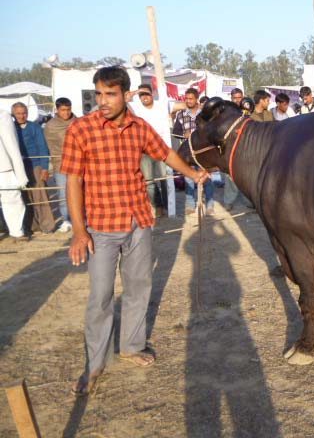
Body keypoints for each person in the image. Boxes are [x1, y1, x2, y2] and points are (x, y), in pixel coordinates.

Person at [61, 66, 209, 395]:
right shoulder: (81, 130)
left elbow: (166, 153)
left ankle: (131, 345)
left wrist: (193, 174)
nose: (102, 101)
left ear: (124, 94)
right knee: (100, 296)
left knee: (139, 287)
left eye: (109, 94)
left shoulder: (139, 127)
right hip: (100, 225)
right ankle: (95, 363)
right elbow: (73, 180)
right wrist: (78, 231)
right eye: (98, 93)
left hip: (138, 220)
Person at [128, 84, 172, 217]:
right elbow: (123, 99)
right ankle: (157, 206)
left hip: (162, 148)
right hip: (144, 150)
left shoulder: (161, 105)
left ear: (152, 93)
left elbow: (180, 105)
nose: (144, 97)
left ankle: (168, 205)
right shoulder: (135, 108)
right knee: (149, 181)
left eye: (147, 94)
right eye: (142, 95)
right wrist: (136, 91)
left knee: (166, 179)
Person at [12, 102, 55, 234]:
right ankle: (31, 225)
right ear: (14, 114)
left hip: (35, 165)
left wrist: (44, 168)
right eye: (18, 113)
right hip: (18, 167)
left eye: (24, 113)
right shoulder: (10, 128)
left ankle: (47, 225)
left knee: (40, 195)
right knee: (25, 197)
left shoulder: (35, 127)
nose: (21, 116)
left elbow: (43, 147)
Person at [172, 87, 215, 214]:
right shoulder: (181, 115)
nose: (188, 101)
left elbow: (213, 130)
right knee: (189, 179)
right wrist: (183, 135)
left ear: (197, 99)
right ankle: (190, 205)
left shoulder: (205, 114)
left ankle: (210, 204)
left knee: (206, 178)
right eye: (186, 99)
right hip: (187, 154)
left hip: (204, 153)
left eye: (191, 99)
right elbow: (175, 132)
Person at [44, 97, 76, 232]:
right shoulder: (51, 126)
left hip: (78, 163)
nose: (66, 113)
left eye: (68, 110)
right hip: (60, 164)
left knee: (80, 192)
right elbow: (48, 146)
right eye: (63, 110)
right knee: (63, 193)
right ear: (57, 110)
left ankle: (80, 218)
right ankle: (66, 220)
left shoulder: (78, 122)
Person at [0, 110, 29, 242]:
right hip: (4, 166)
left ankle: (16, 231)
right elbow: (11, 143)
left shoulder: (2, 116)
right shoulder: (3, 116)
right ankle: (16, 231)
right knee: (12, 200)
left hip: (3, 165)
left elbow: (10, 143)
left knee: (12, 199)